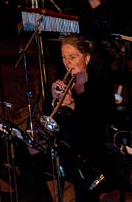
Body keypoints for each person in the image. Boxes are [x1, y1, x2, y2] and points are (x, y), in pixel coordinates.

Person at [50, 35, 117, 200]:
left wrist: (73, 105)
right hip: (68, 146)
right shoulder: (63, 77)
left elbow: (98, 124)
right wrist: (52, 100)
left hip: (94, 149)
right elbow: (50, 115)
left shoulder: (101, 84)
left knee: (83, 186)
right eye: (64, 57)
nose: (67, 62)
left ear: (86, 58)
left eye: (72, 57)